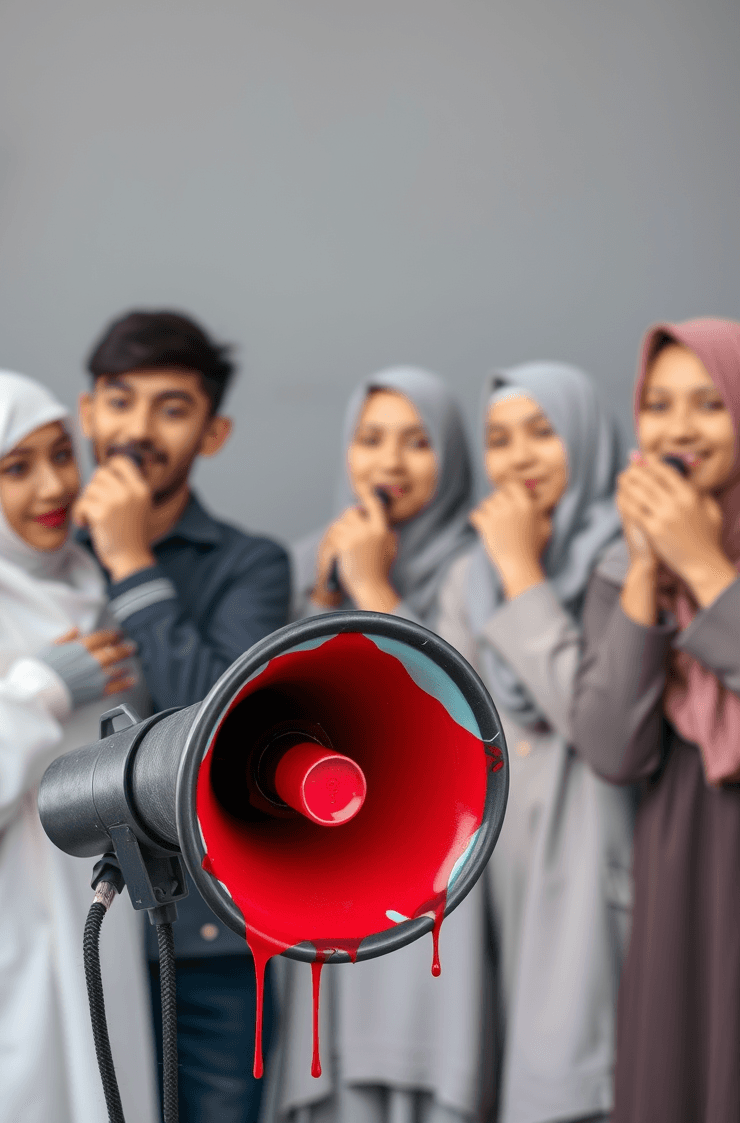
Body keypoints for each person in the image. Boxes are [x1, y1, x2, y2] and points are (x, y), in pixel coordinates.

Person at [75, 309, 291, 1123]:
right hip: (58, 929)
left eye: (172, 408)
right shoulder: (38, 550)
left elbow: (218, 738)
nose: (138, 429)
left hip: (204, 946)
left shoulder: (251, 565)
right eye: (120, 400)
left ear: (215, 431)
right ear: (88, 409)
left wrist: (132, 563)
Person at [273, 366, 486, 1123]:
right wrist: (330, 595)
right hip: (333, 875)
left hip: (439, 880)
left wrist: (374, 587)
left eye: (416, 442)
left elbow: (460, 719)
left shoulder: (480, 565)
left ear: (452, 458)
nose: (388, 464)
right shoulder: (307, 567)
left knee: (426, 1068)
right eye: (370, 440)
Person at [435, 361, 634, 1123]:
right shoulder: (468, 577)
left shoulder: (627, 558)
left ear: (585, 439)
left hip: (594, 868)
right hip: (494, 879)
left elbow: (588, 716)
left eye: (541, 434)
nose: (517, 458)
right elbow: (452, 725)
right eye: (499, 438)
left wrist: (522, 572)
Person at [0, 369, 158, 1123]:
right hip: (0, 955)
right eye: (16, 467)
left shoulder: (90, 581)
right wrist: (38, 690)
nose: (53, 485)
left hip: (104, 941)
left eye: (61, 454)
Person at [571, 319, 740, 1123]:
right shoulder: (623, 563)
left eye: (709, 404)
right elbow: (612, 749)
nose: (678, 429)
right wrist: (646, 568)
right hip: (682, 858)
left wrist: (707, 568)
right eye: (659, 404)